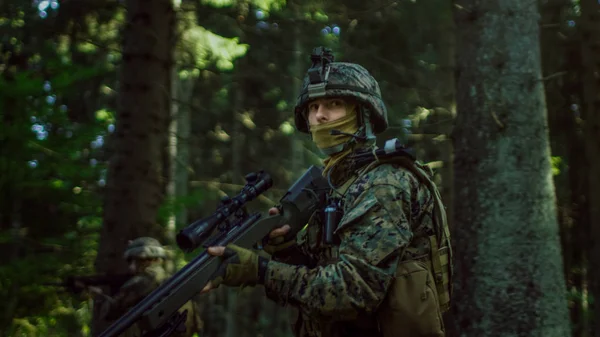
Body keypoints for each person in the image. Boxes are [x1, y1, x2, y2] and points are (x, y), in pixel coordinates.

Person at [202, 47, 453, 337]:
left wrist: (261, 270)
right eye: (312, 107)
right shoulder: (341, 184)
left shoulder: (383, 183)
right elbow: (319, 279)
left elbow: (351, 292)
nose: (319, 116)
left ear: (364, 114)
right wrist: (287, 252)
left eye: (333, 104)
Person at [96, 237, 203, 337]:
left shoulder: (141, 282)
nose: (131, 266)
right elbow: (196, 325)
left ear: (145, 259)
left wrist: (98, 296)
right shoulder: (174, 282)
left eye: (134, 260)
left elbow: (111, 311)